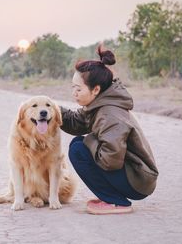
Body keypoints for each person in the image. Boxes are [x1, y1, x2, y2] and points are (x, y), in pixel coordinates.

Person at [60, 46, 158, 215]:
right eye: (73, 88)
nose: (74, 93)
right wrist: (52, 109)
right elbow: (76, 122)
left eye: (78, 89)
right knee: (78, 143)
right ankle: (111, 196)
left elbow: (111, 161)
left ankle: (116, 201)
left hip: (139, 180)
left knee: (78, 150)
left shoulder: (109, 114)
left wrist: (90, 140)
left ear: (96, 89)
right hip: (131, 172)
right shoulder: (99, 103)